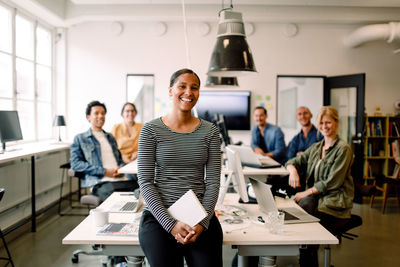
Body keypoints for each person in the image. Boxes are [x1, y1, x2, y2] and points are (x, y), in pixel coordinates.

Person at [137, 69, 223, 267]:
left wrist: (202, 223)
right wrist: (171, 225)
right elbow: (145, 182)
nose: (188, 92)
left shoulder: (210, 131)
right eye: (182, 86)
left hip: (199, 216)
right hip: (160, 217)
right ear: (170, 90)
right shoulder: (150, 130)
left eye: (194, 88)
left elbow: (212, 183)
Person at [285, 106, 354, 267]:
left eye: (328, 122)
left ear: (337, 123)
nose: (324, 126)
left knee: (306, 219)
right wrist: (292, 170)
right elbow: (292, 161)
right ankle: (306, 259)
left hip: (333, 202)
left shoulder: (343, 149)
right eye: (321, 123)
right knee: (301, 211)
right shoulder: (317, 147)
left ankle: (306, 260)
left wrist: (305, 193)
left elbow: (332, 182)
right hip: (316, 198)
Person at [70, 101, 134, 200]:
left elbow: (120, 161)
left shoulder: (110, 137)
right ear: (88, 117)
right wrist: (104, 172)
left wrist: (120, 169)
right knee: (117, 197)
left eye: (103, 113)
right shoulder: (80, 138)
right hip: (100, 182)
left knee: (144, 187)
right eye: (96, 113)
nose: (101, 116)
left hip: (121, 179)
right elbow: (75, 164)